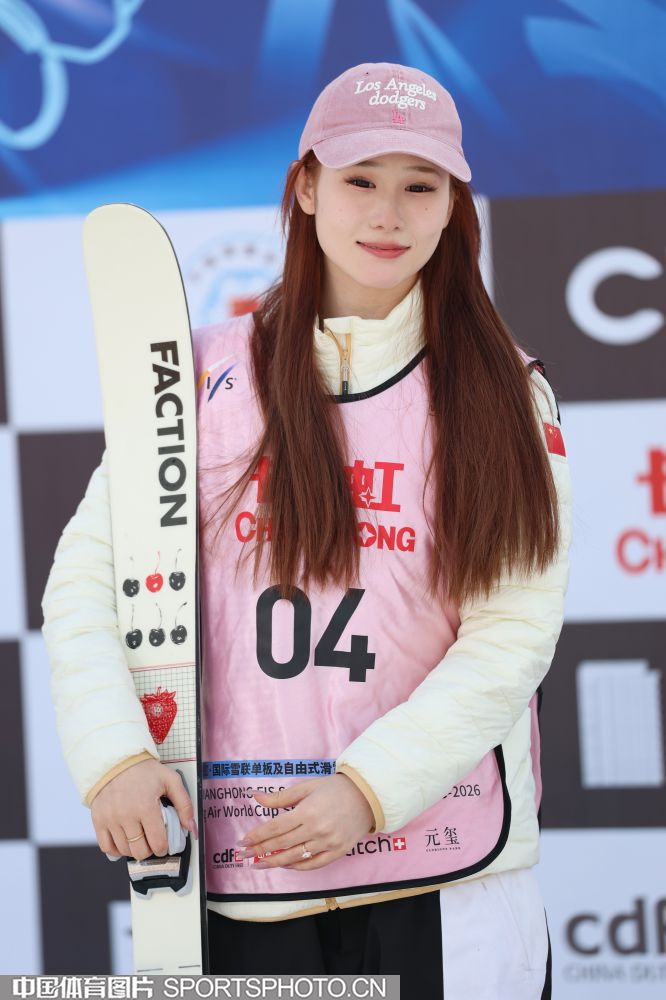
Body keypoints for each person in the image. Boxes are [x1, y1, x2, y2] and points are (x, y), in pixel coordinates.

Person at [41, 62, 572, 998]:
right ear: (307, 187)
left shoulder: (507, 392)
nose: (388, 214)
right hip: (246, 873)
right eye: (361, 179)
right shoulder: (199, 376)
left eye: (420, 187)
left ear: (454, 205)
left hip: (443, 876)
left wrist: (369, 789)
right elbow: (88, 580)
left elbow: (512, 635)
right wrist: (112, 755)